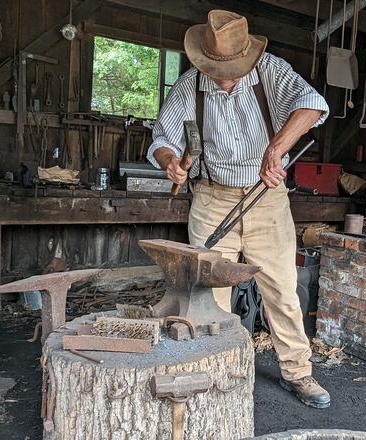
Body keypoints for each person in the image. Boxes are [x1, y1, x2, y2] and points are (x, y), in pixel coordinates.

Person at [147, 9, 331, 409]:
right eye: (217, 68)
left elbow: (313, 106)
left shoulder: (269, 71)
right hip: (212, 198)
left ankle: (298, 372)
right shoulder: (190, 86)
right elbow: (161, 136)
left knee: (281, 288)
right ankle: (214, 371)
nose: (225, 75)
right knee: (211, 293)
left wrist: (276, 149)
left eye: (232, 67)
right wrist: (170, 162)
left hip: (266, 198)